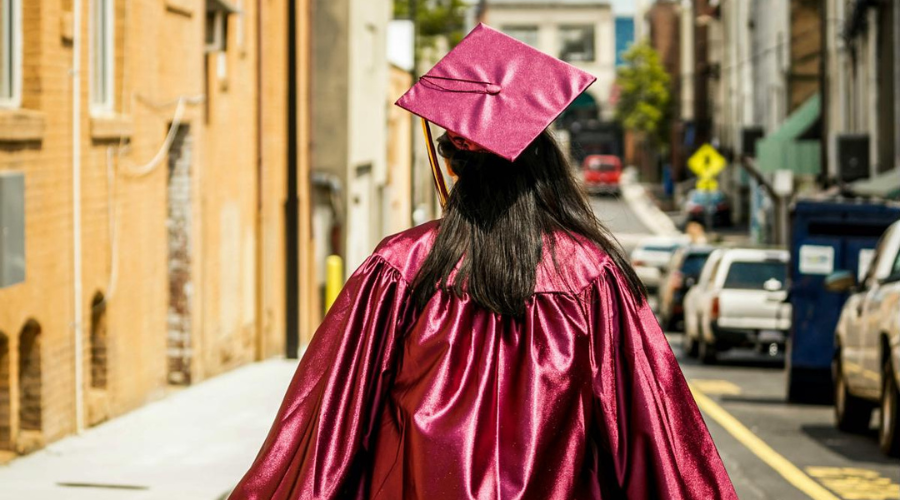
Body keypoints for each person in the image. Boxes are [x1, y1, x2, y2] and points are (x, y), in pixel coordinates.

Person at [228, 24, 737, 500]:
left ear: (452, 164)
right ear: (544, 164)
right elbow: (656, 441)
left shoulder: (399, 269)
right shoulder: (591, 277)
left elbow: (324, 439)